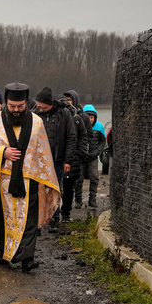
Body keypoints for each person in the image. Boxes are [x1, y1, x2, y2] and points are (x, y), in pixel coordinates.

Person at [0, 83, 60, 273]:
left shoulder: (37, 122)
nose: (16, 110)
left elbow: (43, 151)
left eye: (20, 106)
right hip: (3, 180)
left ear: (26, 103)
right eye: (12, 106)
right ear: (6, 103)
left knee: (28, 221)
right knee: (4, 218)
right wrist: (2, 152)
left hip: (29, 180)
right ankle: (4, 254)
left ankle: (27, 259)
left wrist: (44, 178)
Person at [33, 87, 76, 229]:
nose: (38, 105)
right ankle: (38, 218)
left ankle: (54, 216)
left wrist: (68, 160)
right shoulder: (35, 115)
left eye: (40, 103)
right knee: (37, 189)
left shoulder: (64, 114)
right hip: (38, 160)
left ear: (48, 103)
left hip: (57, 159)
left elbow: (71, 137)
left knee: (55, 188)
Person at [60, 90, 89, 218]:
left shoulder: (78, 119)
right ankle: (54, 215)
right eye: (65, 99)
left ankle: (65, 213)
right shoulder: (58, 117)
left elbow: (85, 136)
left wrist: (80, 153)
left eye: (70, 99)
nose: (67, 102)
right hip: (58, 157)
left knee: (69, 187)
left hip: (73, 158)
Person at [81, 104, 107, 207]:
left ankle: (92, 199)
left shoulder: (99, 127)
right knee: (79, 179)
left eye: (92, 117)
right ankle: (78, 199)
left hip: (93, 156)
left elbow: (103, 141)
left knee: (95, 177)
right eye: (88, 117)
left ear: (94, 117)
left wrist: (98, 152)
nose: (90, 120)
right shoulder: (79, 125)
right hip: (81, 156)